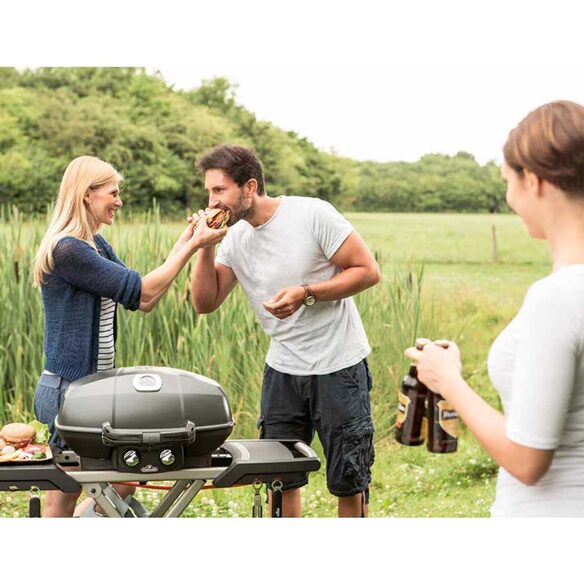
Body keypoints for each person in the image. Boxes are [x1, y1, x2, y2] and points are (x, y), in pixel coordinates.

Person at [405, 100, 584, 517]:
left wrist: (448, 381)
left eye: (509, 181)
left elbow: (527, 460)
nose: (508, 197)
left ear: (534, 181)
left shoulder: (557, 297)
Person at [190, 144, 380, 517]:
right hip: (283, 370)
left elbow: (366, 271)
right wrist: (204, 246)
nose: (212, 200)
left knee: (350, 477)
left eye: (219, 190)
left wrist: (307, 294)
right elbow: (205, 302)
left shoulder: (311, 214)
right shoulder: (236, 238)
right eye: (209, 191)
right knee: (279, 476)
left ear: (249, 187)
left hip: (338, 365)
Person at [32, 155, 226, 517]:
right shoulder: (68, 250)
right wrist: (194, 245)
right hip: (68, 390)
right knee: (67, 488)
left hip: (95, 392)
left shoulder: (96, 245)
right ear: (87, 195)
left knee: (122, 475)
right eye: (113, 193)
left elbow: (145, 298)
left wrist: (187, 238)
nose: (119, 201)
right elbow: (144, 291)